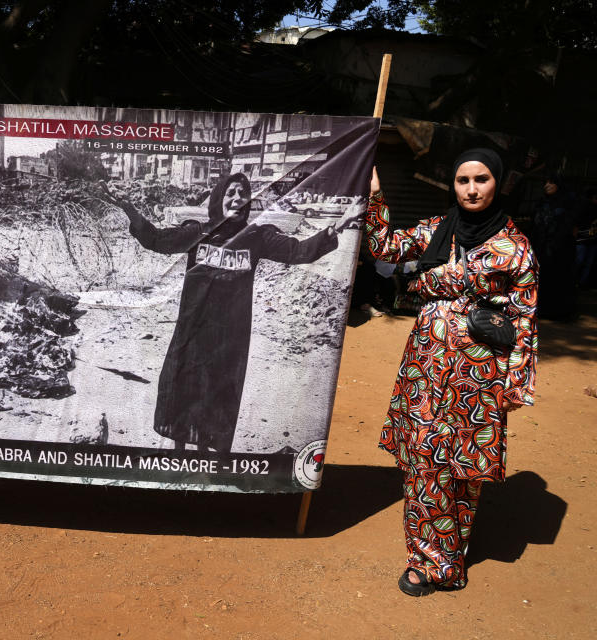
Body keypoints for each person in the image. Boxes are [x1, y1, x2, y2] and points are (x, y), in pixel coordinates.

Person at [363, 149, 538, 596]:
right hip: (425, 367)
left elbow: (523, 320)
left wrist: (514, 384)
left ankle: (447, 553)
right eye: (463, 180)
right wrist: (376, 197)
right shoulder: (438, 230)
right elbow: (385, 247)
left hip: (476, 377)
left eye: (481, 179)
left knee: (459, 470)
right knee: (424, 461)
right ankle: (432, 563)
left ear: (497, 183)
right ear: (453, 185)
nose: (472, 189)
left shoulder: (515, 249)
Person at [102, 173, 361, 453]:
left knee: (217, 398)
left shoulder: (257, 237)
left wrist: (339, 225)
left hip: (230, 340)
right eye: (231, 192)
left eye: (243, 193)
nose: (238, 198)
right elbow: (156, 240)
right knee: (183, 390)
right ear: (218, 198)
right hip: (194, 331)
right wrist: (129, 209)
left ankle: (204, 463)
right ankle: (179, 459)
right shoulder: (197, 233)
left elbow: (299, 251)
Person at [531, 175, 577, 319]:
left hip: (560, 249)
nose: (547, 185)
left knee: (558, 279)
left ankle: (557, 311)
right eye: (545, 182)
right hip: (541, 248)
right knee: (540, 279)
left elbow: (568, 226)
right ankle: (540, 309)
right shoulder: (541, 202)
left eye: (551, 182)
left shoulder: (567, 203)